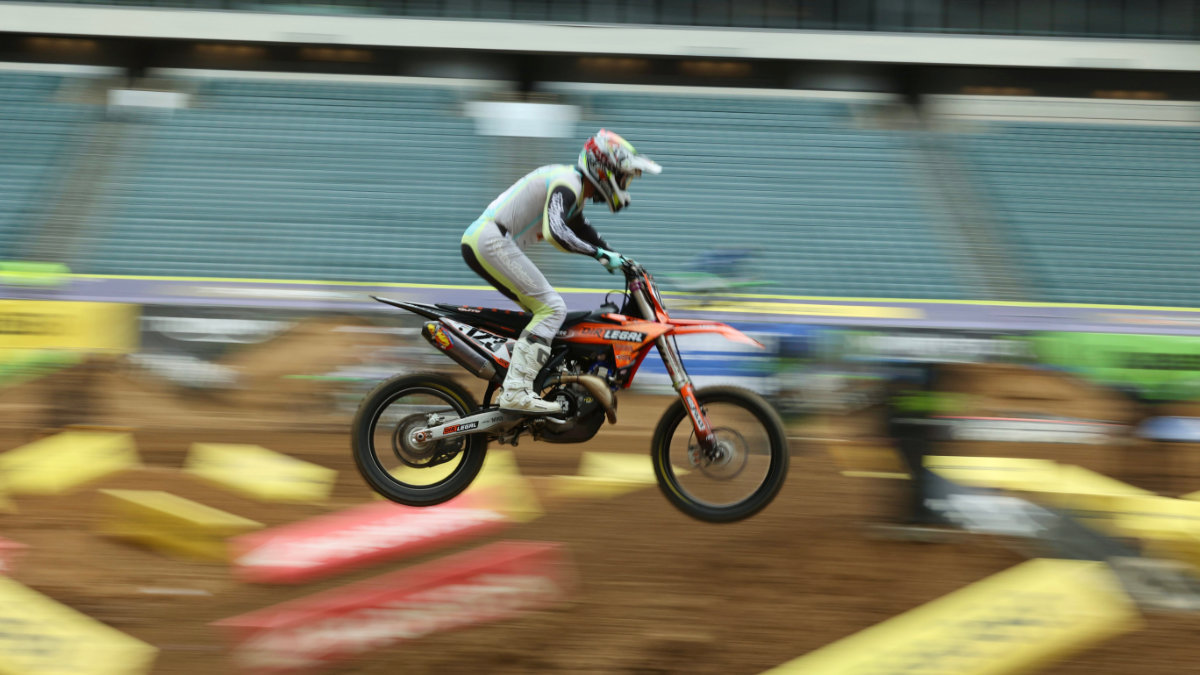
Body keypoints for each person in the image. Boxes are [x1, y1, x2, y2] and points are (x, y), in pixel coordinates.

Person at [460, 129, 662, 414]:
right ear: (603, 171)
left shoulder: (573, 187)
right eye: (622, 176)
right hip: (490, 241)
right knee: (552, 309)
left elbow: (581, 228)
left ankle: (525, 380)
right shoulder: (568, 183)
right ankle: (516, 391)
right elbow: (555, 231)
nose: (625, 183)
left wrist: (616, 256)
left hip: (491, 241)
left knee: (547, 315)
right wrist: (601, 255)